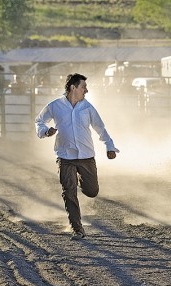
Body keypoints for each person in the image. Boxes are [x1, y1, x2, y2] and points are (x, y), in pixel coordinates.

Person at [35, 73, 119, 240]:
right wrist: (46, 131)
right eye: (83, 87)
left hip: (86, 156)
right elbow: (39, 121)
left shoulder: (87, 107)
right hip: (65, 156)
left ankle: (80, 181)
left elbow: (100, 128)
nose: (86, 90)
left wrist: (109, 146)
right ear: (73, 87)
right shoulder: (55, 106)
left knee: (92, 191)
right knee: (69, 191)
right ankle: (77, 229)